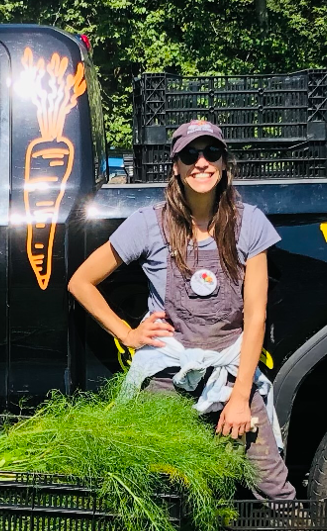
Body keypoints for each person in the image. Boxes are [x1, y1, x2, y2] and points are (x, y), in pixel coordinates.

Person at [68, 120, 294, 501]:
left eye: (211, 153)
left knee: (273, 486)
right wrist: (127, 333)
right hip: (167, 375)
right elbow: (81, 282)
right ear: (176, 166)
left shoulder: (249, 223)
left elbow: (256, 317)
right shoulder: (149, 223)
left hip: (230, 372)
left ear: (223, 163)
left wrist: (240, 398)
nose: (201, 162)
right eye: (190, 154)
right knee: (158, 488)